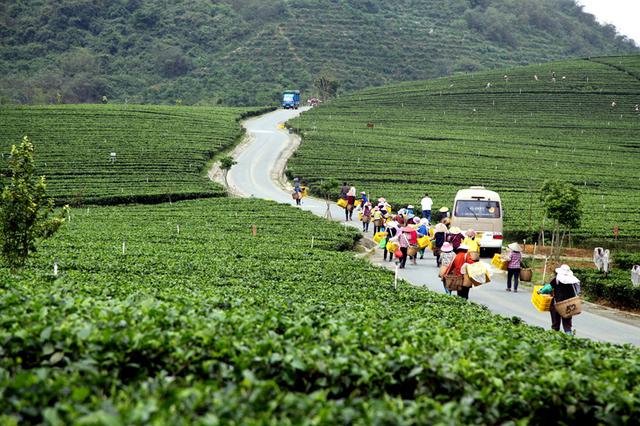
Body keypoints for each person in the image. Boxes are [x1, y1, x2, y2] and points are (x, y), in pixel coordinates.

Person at [550, 265, 580, 335]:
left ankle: (554, 336)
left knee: (555, 323)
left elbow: (548, 288)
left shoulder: (556, 279)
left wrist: (540, 291)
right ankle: (569, 337)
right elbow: (577, 291)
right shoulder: (573, 280)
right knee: (567, 323)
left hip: (557, 304)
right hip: (569, 304)